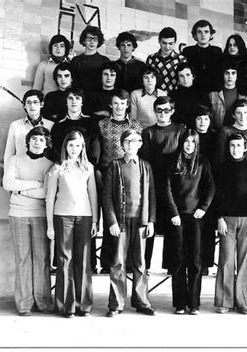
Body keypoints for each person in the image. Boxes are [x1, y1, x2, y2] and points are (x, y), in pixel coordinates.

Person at [102, 129, 157, 316]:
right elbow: (107, 197)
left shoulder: (145, 166)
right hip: (121, 223)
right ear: (122, 144)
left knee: (141, 263)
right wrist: (112, 221)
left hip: (140, 222)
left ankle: (141, 301)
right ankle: (116, 304)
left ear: (140, 143)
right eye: (127, 142)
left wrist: (150, 221)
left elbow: (151, 196)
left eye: (134, 141)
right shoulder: (114, 166)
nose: (130, 145)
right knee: (118, 263)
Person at [46, 129, 98, 318]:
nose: (74, 149)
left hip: (84, 217)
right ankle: (67, 306)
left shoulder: (88, 168)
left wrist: (95, 220)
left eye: (78, 145)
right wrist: (50, 225)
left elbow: (93, 195)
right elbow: (50, 198)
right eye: (71, 145)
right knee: (64, 260)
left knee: (83, 260)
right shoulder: (57, 168)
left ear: (82, 146)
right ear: (65, 146)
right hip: (63, 217)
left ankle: (83, 305)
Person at [3, 126, 54, 316]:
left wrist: (21, 190)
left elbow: (47, 193)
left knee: (41, 259)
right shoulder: (14, 160)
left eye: (41, 139)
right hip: (17, 214)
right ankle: (24, 304)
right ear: (28, 141)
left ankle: (43, 302)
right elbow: (7, 184)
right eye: (34, 138)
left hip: (41, 215)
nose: (37, 142)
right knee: (23, 259)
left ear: (46, 143)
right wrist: (35, 185)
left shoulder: (49, 164)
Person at [165, 129, 215, 315]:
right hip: (177, 218)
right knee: (178, 260)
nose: (189, 145)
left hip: (196, 217)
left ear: (196, 144)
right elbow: (166, 188)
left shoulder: (202, 162)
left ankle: (194, 303)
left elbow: (210, 187)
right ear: (181, 142)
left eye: (192, 142)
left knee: (195, 261)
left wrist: (203, 208)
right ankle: (179, 303)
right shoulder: (172, 161)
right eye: (186, 141)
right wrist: (173, 213)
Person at [97, 89, 142, 273]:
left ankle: (129, 260)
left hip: (129, 172)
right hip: (109, 173)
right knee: (111, 216)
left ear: (127, 105)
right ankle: (108, 262)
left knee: (127, 218)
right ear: (111, 105)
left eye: (122, 103)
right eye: (116, 103)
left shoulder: (136, 126)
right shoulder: (102, 124)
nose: (119, 107)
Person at [214, 133, 247, 314]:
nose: (235, 149)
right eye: (232, 146)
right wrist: (219, 218)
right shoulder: (221, 168)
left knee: (245, 261)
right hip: (227, 220)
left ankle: (244, 301)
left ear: (245, 147)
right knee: (226, 260)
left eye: (239, 146)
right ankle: (225, 300)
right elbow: (216, 196)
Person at [139, 96, 186, 270]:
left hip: (174, 185)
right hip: (154, 184)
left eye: (166, 110)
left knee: (173, 226)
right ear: (154, 111)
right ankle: (145, 264)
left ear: (172, 111)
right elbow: (145, 161)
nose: (163, 114)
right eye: (159, 110)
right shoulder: (148, 132)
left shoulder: (180, 130)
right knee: (150, 223)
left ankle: (172, 265)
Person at [193, 105, 218, 274]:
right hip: (191, 186)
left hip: (210, 185)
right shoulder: (188, 136)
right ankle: (193, 260)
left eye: (206, 119)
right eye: (199, 118)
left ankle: (206, 263)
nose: (203, 122)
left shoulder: (216, 137)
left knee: (208, 228)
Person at [49, 87, 100, 165]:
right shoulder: (59, 124)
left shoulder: (91, 123)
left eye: (77, 98)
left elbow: (95, 148)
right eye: (70, 98)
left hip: (86, 167)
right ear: (66, 101)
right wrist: (63, 164)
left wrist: (88, 166)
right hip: (64, 167)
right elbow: (55, 148)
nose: (74, 101)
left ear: (82, 101)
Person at [4, 89, 54, 166]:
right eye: (28, 103)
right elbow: (9, 153)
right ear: (24, 105)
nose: (32, 106)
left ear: (42, 104)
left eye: (35, 102)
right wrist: (7, 173)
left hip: (43, 170)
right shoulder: (15, 125)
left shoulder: (51, 125)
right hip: (20, 169)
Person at [215, 98, 247, 167]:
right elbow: (220, 157)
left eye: (245, 113)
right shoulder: (226, 131)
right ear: (233, 115)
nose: (242, 116)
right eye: (239, 113)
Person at [182, 19, 223, 94]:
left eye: (206, 32)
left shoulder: (217, 51)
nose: (203, 34)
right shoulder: (188, 51)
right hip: (192, 92)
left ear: (211, 34)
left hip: (213, 93)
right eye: (199, 32)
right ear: (195, 35)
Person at [146, 27, 188, 95]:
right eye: (164, 43)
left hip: (174, 99)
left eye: (170, 43)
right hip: (154, 98)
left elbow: (184, 83)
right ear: (159, 41)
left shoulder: (181, 60)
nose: (167, 47)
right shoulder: (151, 59)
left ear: (175, 43)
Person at [71, 25, 110, 94]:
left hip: (97, 99)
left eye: (95, 39)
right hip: (79, 99)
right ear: (84, 41)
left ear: (98, 41)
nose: (92, 42)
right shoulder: (76, 61)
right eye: (89, 39)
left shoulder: (105, 61)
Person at [169, 63, 210, 128]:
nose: (185, 79)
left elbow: (205, 114)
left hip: (198, 128)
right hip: (179, 129)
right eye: (181, 76)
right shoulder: (173, 94)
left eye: (188, 75)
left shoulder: (202, 93)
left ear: (193, 76)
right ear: (178, 78)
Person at [209, 59, 246, 130]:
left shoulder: (243, 96)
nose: (230, 76)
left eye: (233, 73)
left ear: (237, 75)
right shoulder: (213, 95)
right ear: (222, 75)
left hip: (238, 134)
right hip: (217, 132)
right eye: (227, 73)